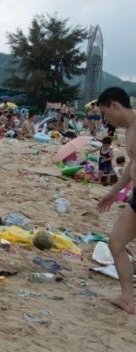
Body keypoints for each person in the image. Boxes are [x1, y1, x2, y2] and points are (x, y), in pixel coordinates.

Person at [96, 87, 136, 314]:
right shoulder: (129, 129)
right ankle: (127, 300)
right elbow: (132, 165)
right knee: (116, 243)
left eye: (105, 112)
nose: (105, 118)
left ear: (114, 105)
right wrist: (113, 192)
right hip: (135, 198)